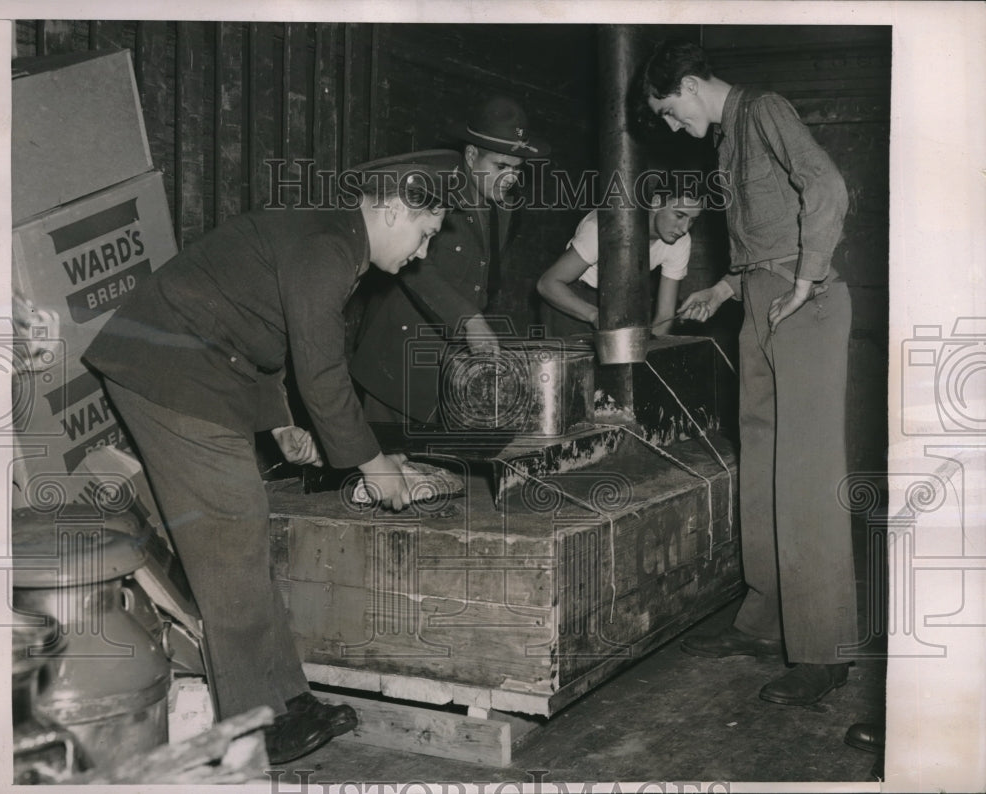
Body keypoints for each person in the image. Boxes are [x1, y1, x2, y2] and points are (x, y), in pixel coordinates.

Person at [83, 151, 456, 764]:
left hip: (202, 365)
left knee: (245, 531)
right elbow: (322, 367)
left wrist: (279, 422)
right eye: (425, 235)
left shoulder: (334, 238)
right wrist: (375, 465)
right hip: (167, 368)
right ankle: (251, 725)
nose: (422, 254)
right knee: (228, 538)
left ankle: (287, 699)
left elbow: (264, 328)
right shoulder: (329, 247)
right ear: (392, 208)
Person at [642, 40, 857, 706]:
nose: (673, 128)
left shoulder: (763, 109)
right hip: (763, 300)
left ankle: (825, 650)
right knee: (761, 462)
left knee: (807, 477)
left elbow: (827, 189)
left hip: (805, 304)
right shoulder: (728, 138)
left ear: (690, 82)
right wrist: (727, 290)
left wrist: (807, 278)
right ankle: (765, 621)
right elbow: (769, 230)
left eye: (669, 111)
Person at [350, 96, 550, 425]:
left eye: (517, 169)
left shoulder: (507, 206)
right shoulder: (435, 188)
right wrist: (468, 319)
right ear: (471, 156)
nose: (510, 178)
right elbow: (415, 269)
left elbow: (481, 275)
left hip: (449, 359)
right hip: (398, 354)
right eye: (501, 167)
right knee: (386, 464)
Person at [536, 191, 702, 333]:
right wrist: (595, 315)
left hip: (620, 299)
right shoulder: (603, 227)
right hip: (572, 299)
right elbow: (547, 283)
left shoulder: (680, 241)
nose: (684, 228)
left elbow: (665, 316)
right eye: (679, 215)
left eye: (693, 220)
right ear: (657, 202)